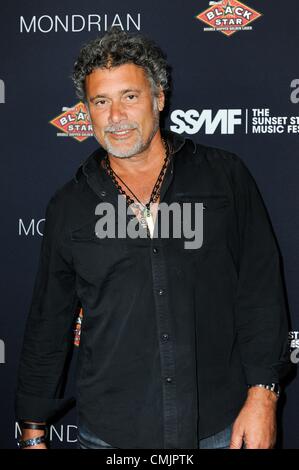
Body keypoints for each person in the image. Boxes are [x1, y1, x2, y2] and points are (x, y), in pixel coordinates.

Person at [15, 27, 291, 450]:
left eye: (130, 96)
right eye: (100, 101)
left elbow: (261, 294)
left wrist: (264, 396)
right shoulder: (68, 207)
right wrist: (32, 432)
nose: (116, 116)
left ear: (159, 98)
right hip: (110, 434)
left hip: (221, 425)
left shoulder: (224, 178)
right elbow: (48, 323)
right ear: (87, 110)